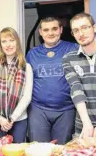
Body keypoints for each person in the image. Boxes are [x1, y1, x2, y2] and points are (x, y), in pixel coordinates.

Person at [62, 12, 96, 147]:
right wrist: (86, 123)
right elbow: (76, 89)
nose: (81, 33)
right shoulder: (69, 58)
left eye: (85, 27)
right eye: (76, 30)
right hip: (83, 128)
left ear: (94, 28)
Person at [26, 16, 79, 145]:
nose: (50, 33)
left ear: (61, 30)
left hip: (66, 110)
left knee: (61, 152)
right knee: (39, 151)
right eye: (46, 30)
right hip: (38, 110)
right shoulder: (32, 54)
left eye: (54, 29)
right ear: (41, 32)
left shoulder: (74, 49)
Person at [0, 27, 33, 143]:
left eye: (11, 40)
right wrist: (0, 118)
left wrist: (12, 118)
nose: (8, 45)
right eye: (4, 41)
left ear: (17, 42)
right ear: (0, 45)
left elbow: (27, 96)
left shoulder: (26, 67)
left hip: (19, 120)